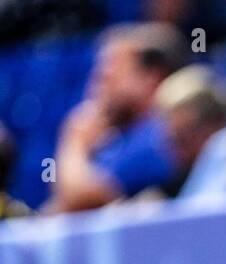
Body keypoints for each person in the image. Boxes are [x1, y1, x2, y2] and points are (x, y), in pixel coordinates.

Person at [45, 22, 187, 213]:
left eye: (106, 77)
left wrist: (75, 140)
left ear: (150, 77)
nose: (95, 88)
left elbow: (82, 199)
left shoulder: (161, 133)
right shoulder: (116, 139)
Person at [154, 65, 226, 196]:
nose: (173, 150)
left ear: (212, 126)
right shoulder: (175, 179)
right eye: (169, 139)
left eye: (180, 138)